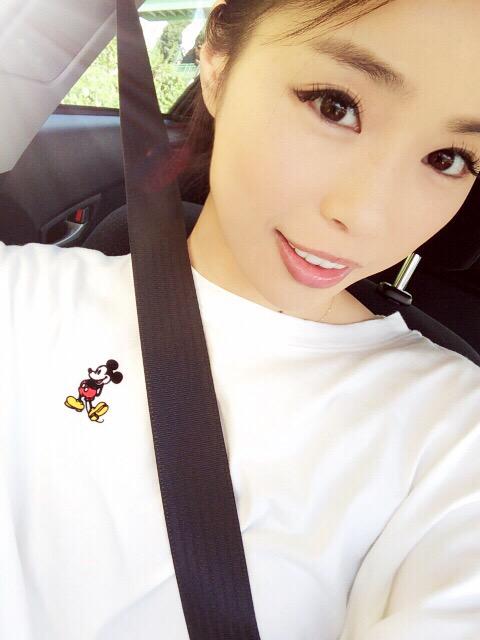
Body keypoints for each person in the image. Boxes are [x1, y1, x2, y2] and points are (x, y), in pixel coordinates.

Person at [1, 1, 479, 638]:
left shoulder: (454, 433)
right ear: (218, 62)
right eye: (335, 106)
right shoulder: (24, 292)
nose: (366, 216)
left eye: (449, 158)